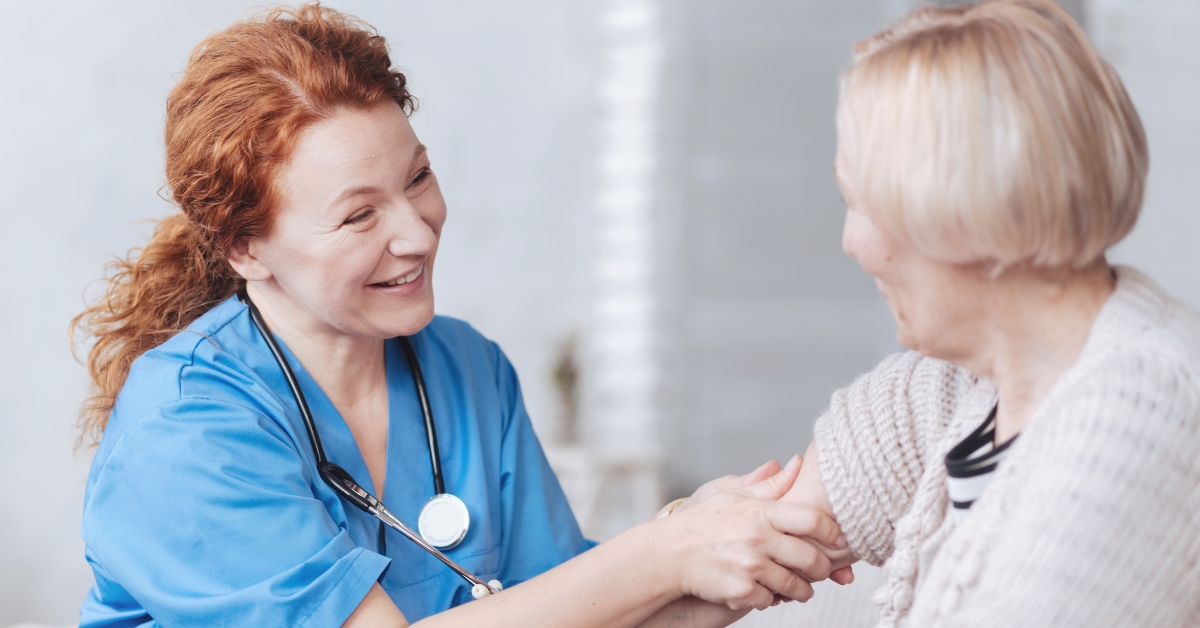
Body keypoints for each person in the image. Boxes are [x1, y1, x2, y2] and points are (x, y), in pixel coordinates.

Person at [72, 6, 850, 627]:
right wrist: (665, 549)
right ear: (245, 248)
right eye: (357, 217)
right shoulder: (184, 426)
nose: (416, 232)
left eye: (418, 178)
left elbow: (577, 608)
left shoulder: (465, 369)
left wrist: (740, 550)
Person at [777, 1, 1200, 626]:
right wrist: (676, 541)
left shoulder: (1137, 414)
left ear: (963, 213)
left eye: (860, 202)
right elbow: (748, 539)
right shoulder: (963, 388)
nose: (851, 243)